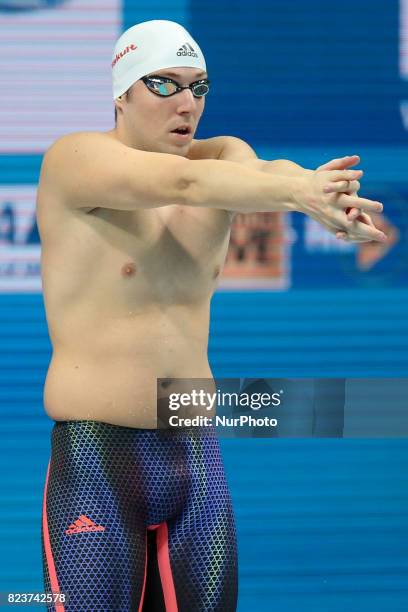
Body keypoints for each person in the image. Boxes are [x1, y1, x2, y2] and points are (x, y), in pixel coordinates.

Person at [37, 19, 386, 612]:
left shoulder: (225, 157)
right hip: (97, 457)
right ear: (122, 92)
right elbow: (186, 182)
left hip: (195, 458)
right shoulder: (75, 161)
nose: (187, 104)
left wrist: (318, 193)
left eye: (198, 87)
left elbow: (256, 172)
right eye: (165, 85)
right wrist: (298, 192)